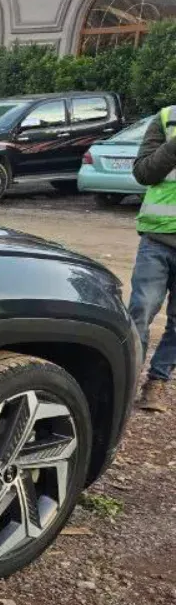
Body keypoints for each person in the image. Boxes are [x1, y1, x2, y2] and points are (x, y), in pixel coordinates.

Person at [131, 104, 176, 413]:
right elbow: (143, 172)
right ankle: (125, 379)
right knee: (140, 312)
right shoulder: (166, 118)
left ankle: (156, 383)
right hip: (158, 238)